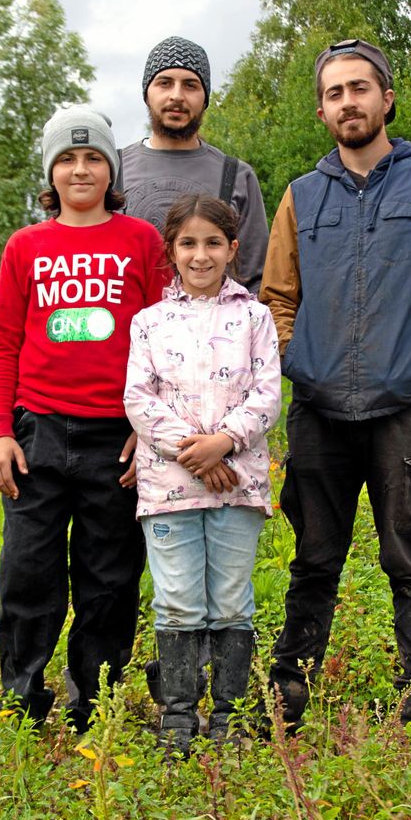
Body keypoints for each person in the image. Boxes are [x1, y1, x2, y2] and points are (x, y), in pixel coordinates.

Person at [260, 38, 411, 729]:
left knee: (409, 556)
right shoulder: (302, 196)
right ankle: (290, 688)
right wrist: (295, 355)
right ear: (321, 111)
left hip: (405, 406)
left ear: (385, 98)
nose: (348, 102)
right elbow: (277, 294)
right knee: (313, 558)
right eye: (334, 93)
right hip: (318, 409)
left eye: (359, 88)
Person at [0, 104, 167, 732]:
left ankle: (97, 706)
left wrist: (151, 434)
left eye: (93, 158)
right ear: (52, 172)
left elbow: (163, 341)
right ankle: (24, 705)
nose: (80, 169)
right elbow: (3, 343)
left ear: (111, 169)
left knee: (110, 579)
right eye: (68, 158)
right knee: (27, 574)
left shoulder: (141, 242)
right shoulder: (26, 247)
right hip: (36, 434)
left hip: (116, 441)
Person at [124, 195, 281, 755]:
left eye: (213, 242)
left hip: (238, 484)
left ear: (232, 249)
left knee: (232, 600)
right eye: (188, 243)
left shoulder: (256, 318)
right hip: (169, 488)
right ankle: (179, 716)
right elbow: (139, 401)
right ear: (171, 251)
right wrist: (194, 453)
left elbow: (267, 397)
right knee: (179, 601)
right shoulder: (148, 323)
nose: (200, 254)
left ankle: (232, 716)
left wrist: (224, 447)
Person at [119, 35, 269, 294]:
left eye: (190, 85)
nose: (176, 96)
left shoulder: (236, 176)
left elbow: (257, 278)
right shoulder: (111, 169)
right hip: (126, 331)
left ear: (205, 97)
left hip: (216, 331)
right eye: (164, 83)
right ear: (147, 93)